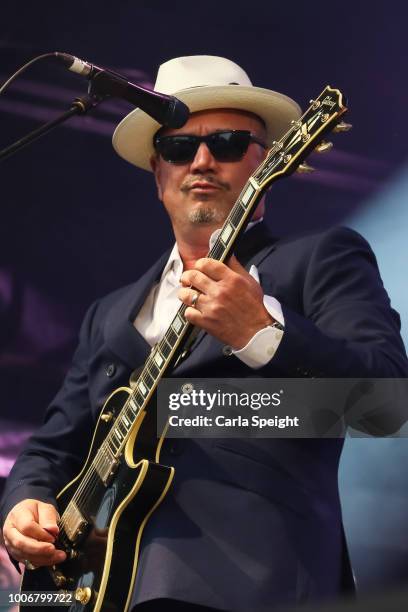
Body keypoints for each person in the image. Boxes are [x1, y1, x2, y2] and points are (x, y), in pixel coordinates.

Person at [1, 55, 407, 612]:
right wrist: (23, 506)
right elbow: (52, 446)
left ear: (267, 162)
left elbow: (388, 407)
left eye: (229, 143)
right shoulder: (111, 311)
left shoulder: (317, 260)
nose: (202, 160)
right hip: (91, 592)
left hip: (247, 584)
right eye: (177, 147)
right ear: (157, 173)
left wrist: (263, 334)